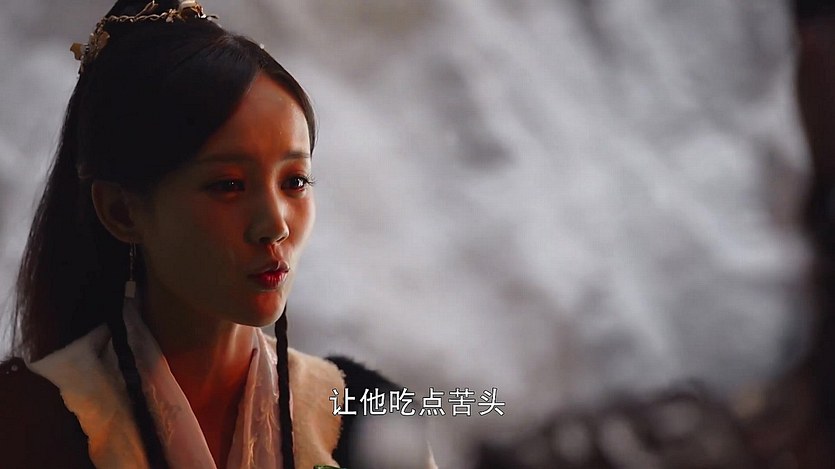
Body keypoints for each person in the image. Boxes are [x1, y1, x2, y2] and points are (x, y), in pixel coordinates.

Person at [0, 1, 436, 468]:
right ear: (122, 211)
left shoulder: (367, 413)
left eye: (295, 181)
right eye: (228, 185)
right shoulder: (24, 421)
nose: (275, 224)